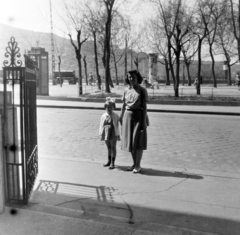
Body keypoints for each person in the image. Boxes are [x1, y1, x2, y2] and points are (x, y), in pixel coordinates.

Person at [120, 70, 149, 174]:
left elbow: (145, 107)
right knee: (130, 143)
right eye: (129, 77)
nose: (131, 79)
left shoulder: (142, 90)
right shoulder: (126, 90)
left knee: (138, 142)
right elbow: (123, 105)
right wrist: (120, 116)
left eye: (133, 77)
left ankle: (138, 165)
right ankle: (134, 163)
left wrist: (144, 121)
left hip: (138, 117)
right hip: (127, 117)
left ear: (138, 77)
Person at [99, 97, 121, 169]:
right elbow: (101, 125)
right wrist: (100, 133)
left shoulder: (115, 115)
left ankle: (112, 162)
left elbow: (121, 121)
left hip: (113, 133)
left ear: (113, 108)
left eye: (110, 107)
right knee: (108, 147)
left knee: (113, 147)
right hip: (106, 133)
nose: (109, 109)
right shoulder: (103, 116)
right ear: (105, 107)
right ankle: (109, 161)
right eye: (107, 107)